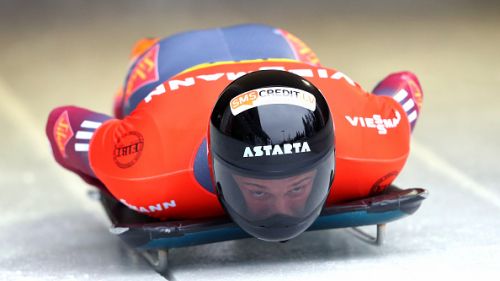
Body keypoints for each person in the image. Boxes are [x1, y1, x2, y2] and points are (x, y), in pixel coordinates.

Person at [46, 24, 423, 242]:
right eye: (258, 191)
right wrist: (109, 167)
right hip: (168, 63)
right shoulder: (147, 165)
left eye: (297, 187)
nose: (281, 212)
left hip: (282, 49)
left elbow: (62, 123)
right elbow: (404, 83)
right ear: (217, 167)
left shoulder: (377, 142)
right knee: (125, 113)